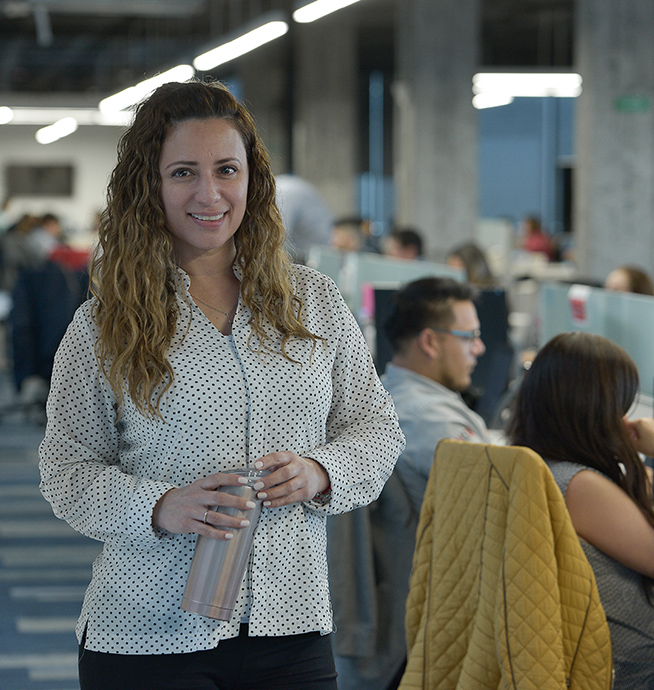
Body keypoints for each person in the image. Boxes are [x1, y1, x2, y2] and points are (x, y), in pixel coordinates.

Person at [38, 79, 405, 690]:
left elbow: (375, 429)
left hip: (292, 625)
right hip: (145, 628)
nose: (209, 193)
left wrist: (321, 472)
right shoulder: (105, 322)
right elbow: (67, 471)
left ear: (251, 180)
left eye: (226, 170)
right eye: (183, 171)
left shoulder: (311, 302)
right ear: (149, 187)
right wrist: (159, 505)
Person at [328, 277, 489, 690]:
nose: (479, 349)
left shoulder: (387, 395)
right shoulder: (427, 418)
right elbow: (502, 505)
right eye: (469, 336)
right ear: (431, 342)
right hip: (428, 622)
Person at [506, 331, 654, 688]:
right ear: (594, 411)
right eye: (620, 408)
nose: (624, 422)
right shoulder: (579, 486)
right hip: (627, 672)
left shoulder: (540, 467)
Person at [274, 173, 334, 263]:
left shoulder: (282, 192)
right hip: (312, 252)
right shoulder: (283, 185)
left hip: (321, 256)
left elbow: (277, 237)